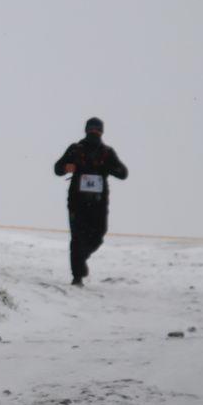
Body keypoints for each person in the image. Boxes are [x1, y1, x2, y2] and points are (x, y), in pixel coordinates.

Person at [53, 117, 128, 286]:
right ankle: (77, 276)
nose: (94, 132)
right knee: (77, 238)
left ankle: (80, 260)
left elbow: (123, 173)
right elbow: (57, 168)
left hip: (98, 203)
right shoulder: (75, 149)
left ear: (101, 132)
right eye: (91, 129)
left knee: (98, 235)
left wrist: (110, 168)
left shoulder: (107, 153)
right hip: (77, 202)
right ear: (86, 130)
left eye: (97, 129)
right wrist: (66, 167)